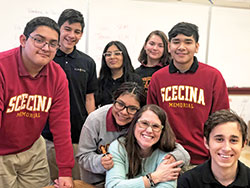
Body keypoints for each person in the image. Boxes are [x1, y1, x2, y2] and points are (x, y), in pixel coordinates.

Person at [0, 16, 74, 188]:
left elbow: (61, 125)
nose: (46, 48)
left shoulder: (58, 76)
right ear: (23, 40)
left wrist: (65, 171)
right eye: (39, 40)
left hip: (32, 149)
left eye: (53, 43)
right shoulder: (3, 67)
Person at [147, 22, 229, 170]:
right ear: (169, 46)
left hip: (201, 159)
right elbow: (151, 119)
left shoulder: (213, 76)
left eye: (188, 42)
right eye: (176, 42)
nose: (181, 47)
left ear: (196, 47)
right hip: (166, 157)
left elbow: (222, 122)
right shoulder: (158, 78)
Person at [76, 82, 189, 187]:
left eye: (132, 109)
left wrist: (173, 157)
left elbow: (180, 151)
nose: (124, 112)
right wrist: (100, 162)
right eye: (120, 104)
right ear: (113, 101)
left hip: (133, 181)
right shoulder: (96, 120)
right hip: (97, 181)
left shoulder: (144, 126)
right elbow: (82, 156)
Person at [42, 9, 98, 180]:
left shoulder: (87, 62)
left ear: (81, 34)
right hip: (46, 136)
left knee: (74, 181)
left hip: (77, 136)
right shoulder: (46, 58)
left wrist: (92, 130)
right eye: (67, 29)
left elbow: (89, 98)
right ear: (59, 29)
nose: (71, 35)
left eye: (77, 31)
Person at [106, 104, 190, 188]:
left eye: (156, 126)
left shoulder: (170, 154)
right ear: (134, 124)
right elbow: (113, 186)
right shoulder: (118, 147)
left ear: (162, 131)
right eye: (144, 123)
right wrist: (153, 178)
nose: (149, 130)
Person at [178, 109, 250, 187]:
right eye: (219, 139)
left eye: (233, 140)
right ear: (206, 142)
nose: (226, 148)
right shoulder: (187, 182)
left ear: (243, 144)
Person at [95, 41, 143, 107]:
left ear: (124, 56)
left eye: (117, 53)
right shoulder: (99, 82)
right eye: (108, 54)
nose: (112, 57)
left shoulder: (135, 80)